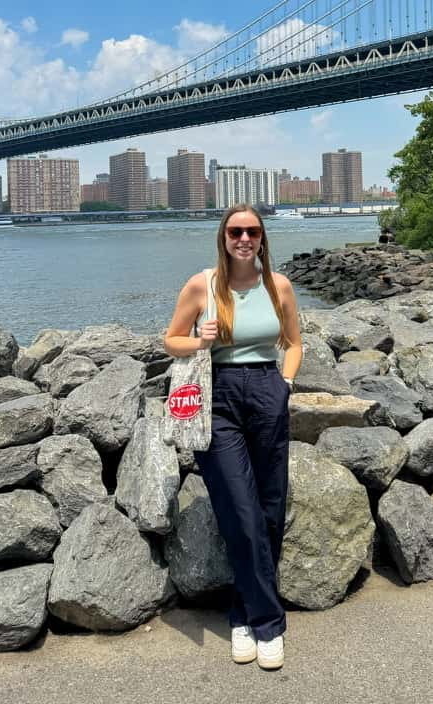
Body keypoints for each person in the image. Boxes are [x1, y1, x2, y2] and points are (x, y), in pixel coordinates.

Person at [164, 203, 302, 670]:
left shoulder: (277, 285)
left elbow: (294, 341)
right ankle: (267, 622)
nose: (244, 239)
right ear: (223, 238)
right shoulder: (203, 284)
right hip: (218, 395)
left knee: (269, 504)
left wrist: (285, 384)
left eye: (253, 232)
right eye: (235, 231)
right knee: (239, 509)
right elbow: (170, 340)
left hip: (267, 389)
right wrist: (201, 340)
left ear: (263, 239)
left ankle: (242, 613)